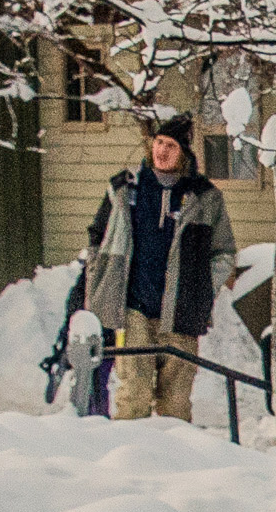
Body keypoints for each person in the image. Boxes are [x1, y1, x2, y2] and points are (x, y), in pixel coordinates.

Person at [79, 111, 234, 421]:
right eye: (159, 143)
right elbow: (97, 238)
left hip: (182, 314)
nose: (162, 151)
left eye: (171, 146)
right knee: (132, 396)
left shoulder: (205, 198)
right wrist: (101, 276)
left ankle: (173, 465)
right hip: (134, 309)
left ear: (185, 153)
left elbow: (225, 253)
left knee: (175, 404)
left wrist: (204, 287)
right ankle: (129, 463)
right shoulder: (126, 190)